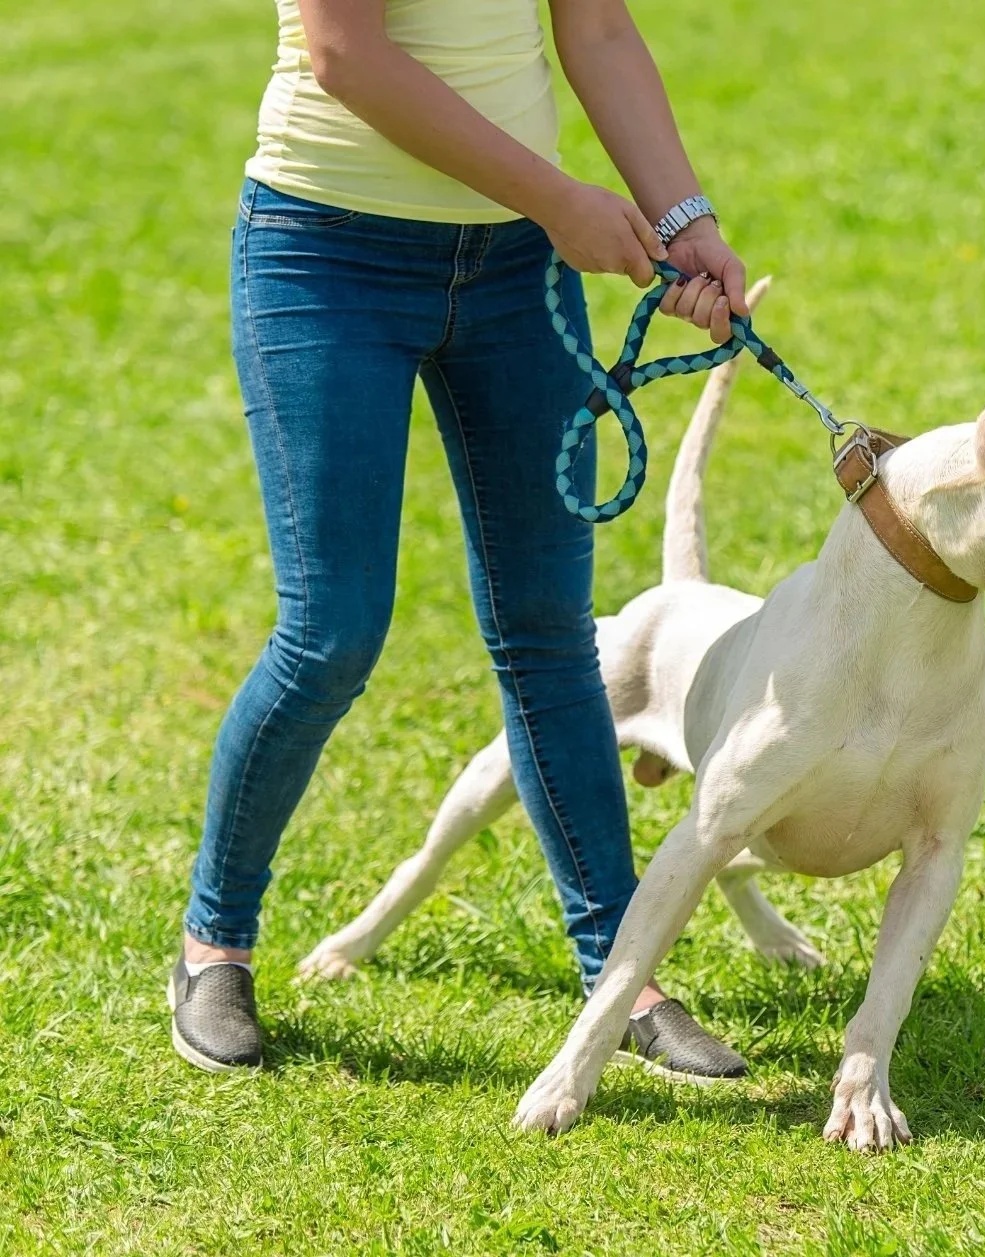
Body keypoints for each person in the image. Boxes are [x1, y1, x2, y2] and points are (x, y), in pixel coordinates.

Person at [169, 0, 751, 1081]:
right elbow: (349, 56)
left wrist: (682, 217)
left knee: (548, 634)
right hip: (326, 260)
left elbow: (600, 32)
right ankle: (214, 945)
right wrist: (561, 200)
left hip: (514, 275)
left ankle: (621, 976)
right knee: (331, 633)